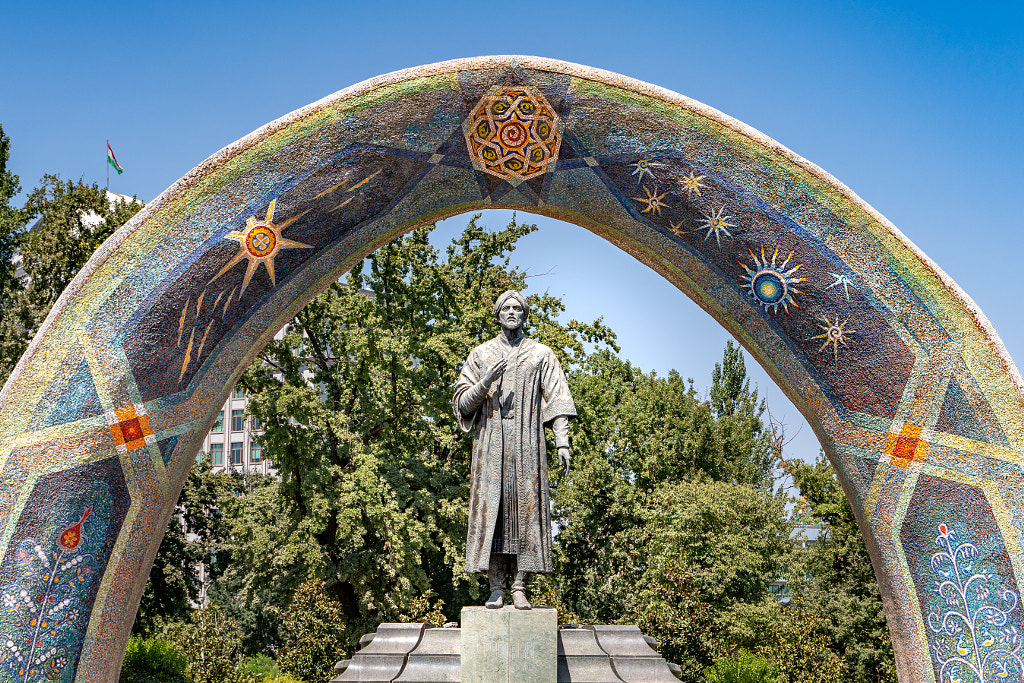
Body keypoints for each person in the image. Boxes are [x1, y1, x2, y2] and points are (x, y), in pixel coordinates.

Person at [453, 290, 576, 610]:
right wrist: (484, 383)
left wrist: (562, 441)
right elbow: (463, 404)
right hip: (491, 444)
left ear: (525, 314)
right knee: (493, 512)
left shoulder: (541, 354)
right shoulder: (480, 354)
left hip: (528, 444)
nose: (511, 312)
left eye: (517, 308)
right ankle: (495, 587)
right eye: (506, 308)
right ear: (497, 314)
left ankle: (520, 585)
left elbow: (558, 399)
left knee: (526, 512)